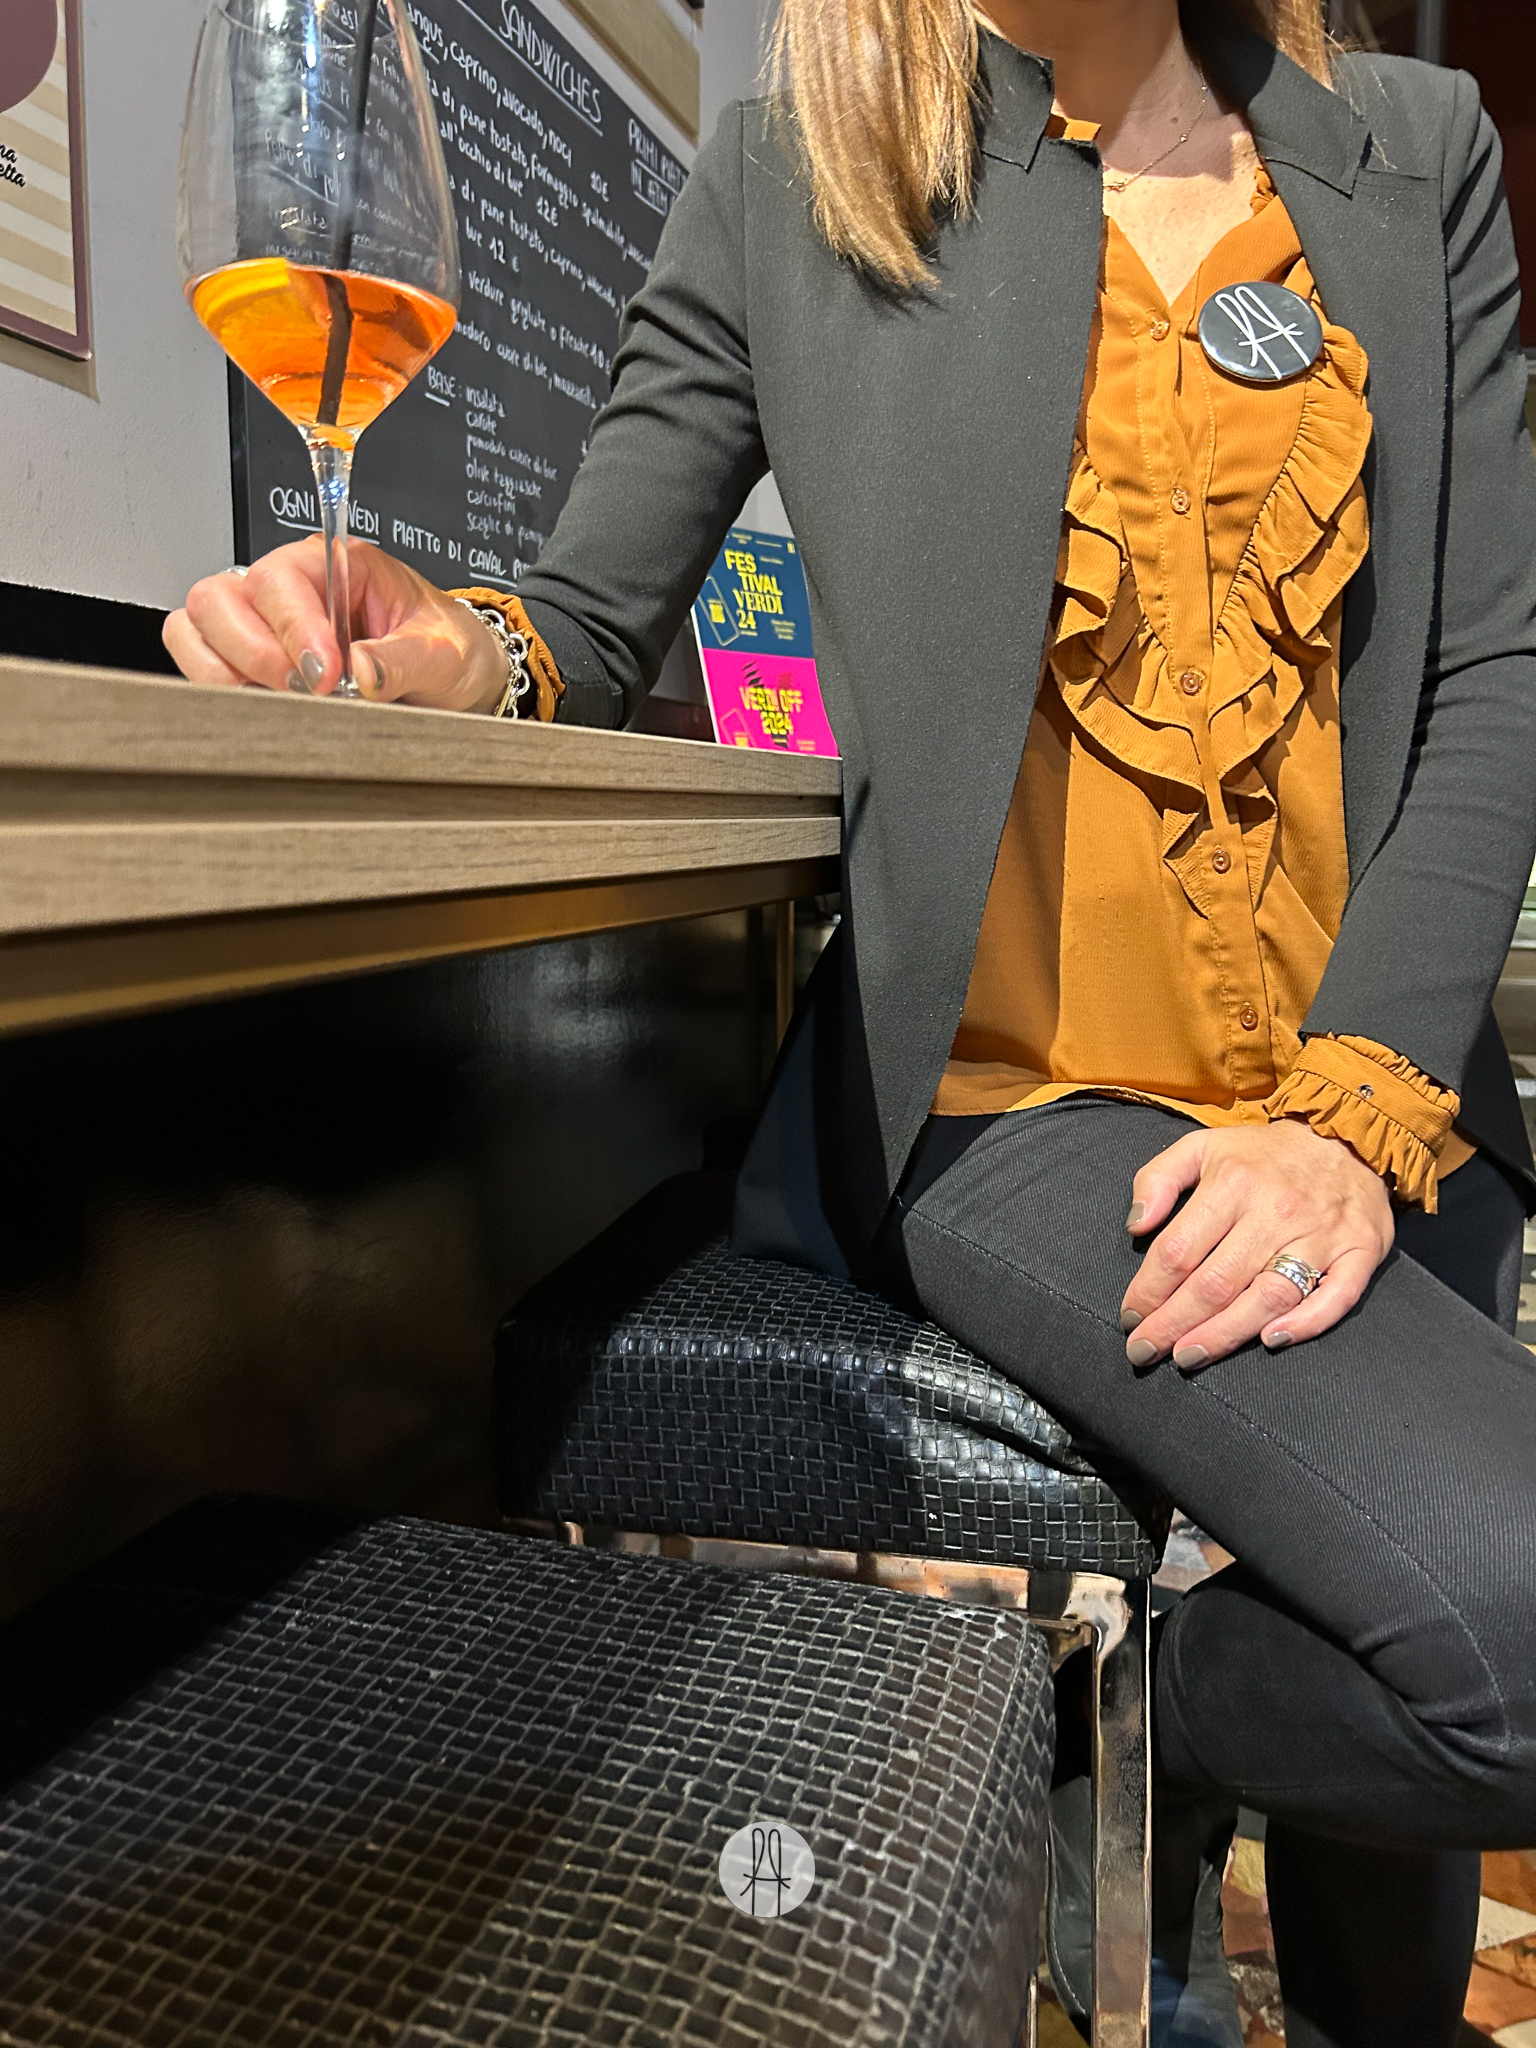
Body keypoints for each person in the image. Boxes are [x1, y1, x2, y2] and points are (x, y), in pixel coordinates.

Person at [166, 0, 1536, 2040]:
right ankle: (1076, 1713)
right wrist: (459, 643)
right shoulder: (789, 177)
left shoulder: (1417, 144)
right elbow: (586, 618)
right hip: (1029, 1109)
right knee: (1502, 1654)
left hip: (1386, 1095)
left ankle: (1151, 1767)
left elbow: (1495, 662)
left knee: (1396, 1906)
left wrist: (1356, 1108)